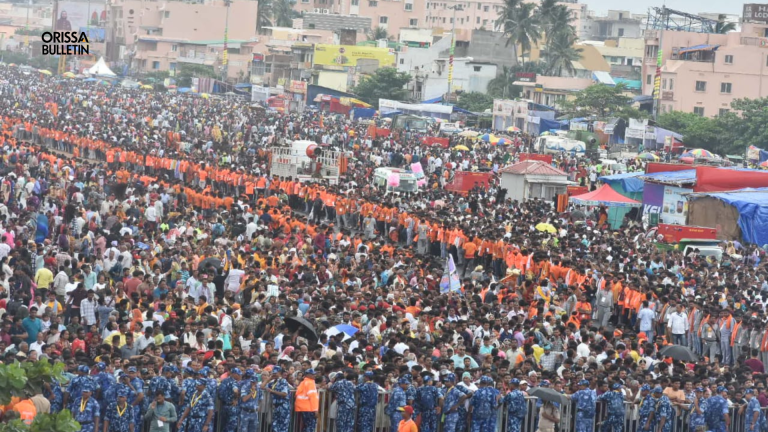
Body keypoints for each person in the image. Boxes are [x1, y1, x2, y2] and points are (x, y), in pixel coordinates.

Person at [264, 366, 291, 432]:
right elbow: (262, 386)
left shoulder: (283, 381)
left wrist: (272, 391)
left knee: (283, 427)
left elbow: (284, 394)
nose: (274, 374)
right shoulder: (272, 382)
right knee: (275, 427)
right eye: (273, 373)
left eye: (276, 373)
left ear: (280, 373)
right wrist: (269, 379)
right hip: (276, 407)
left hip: (283, 406)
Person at [217, 367, 241, 431]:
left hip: (224, 405)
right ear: (234, 374)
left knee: (224, 425)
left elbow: (219, 393)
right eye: (238, 374)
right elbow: (235, 391)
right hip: (231, 406)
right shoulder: (234, 382)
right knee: (231, 426)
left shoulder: (224, 381)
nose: (239, 376)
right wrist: (236, 398)